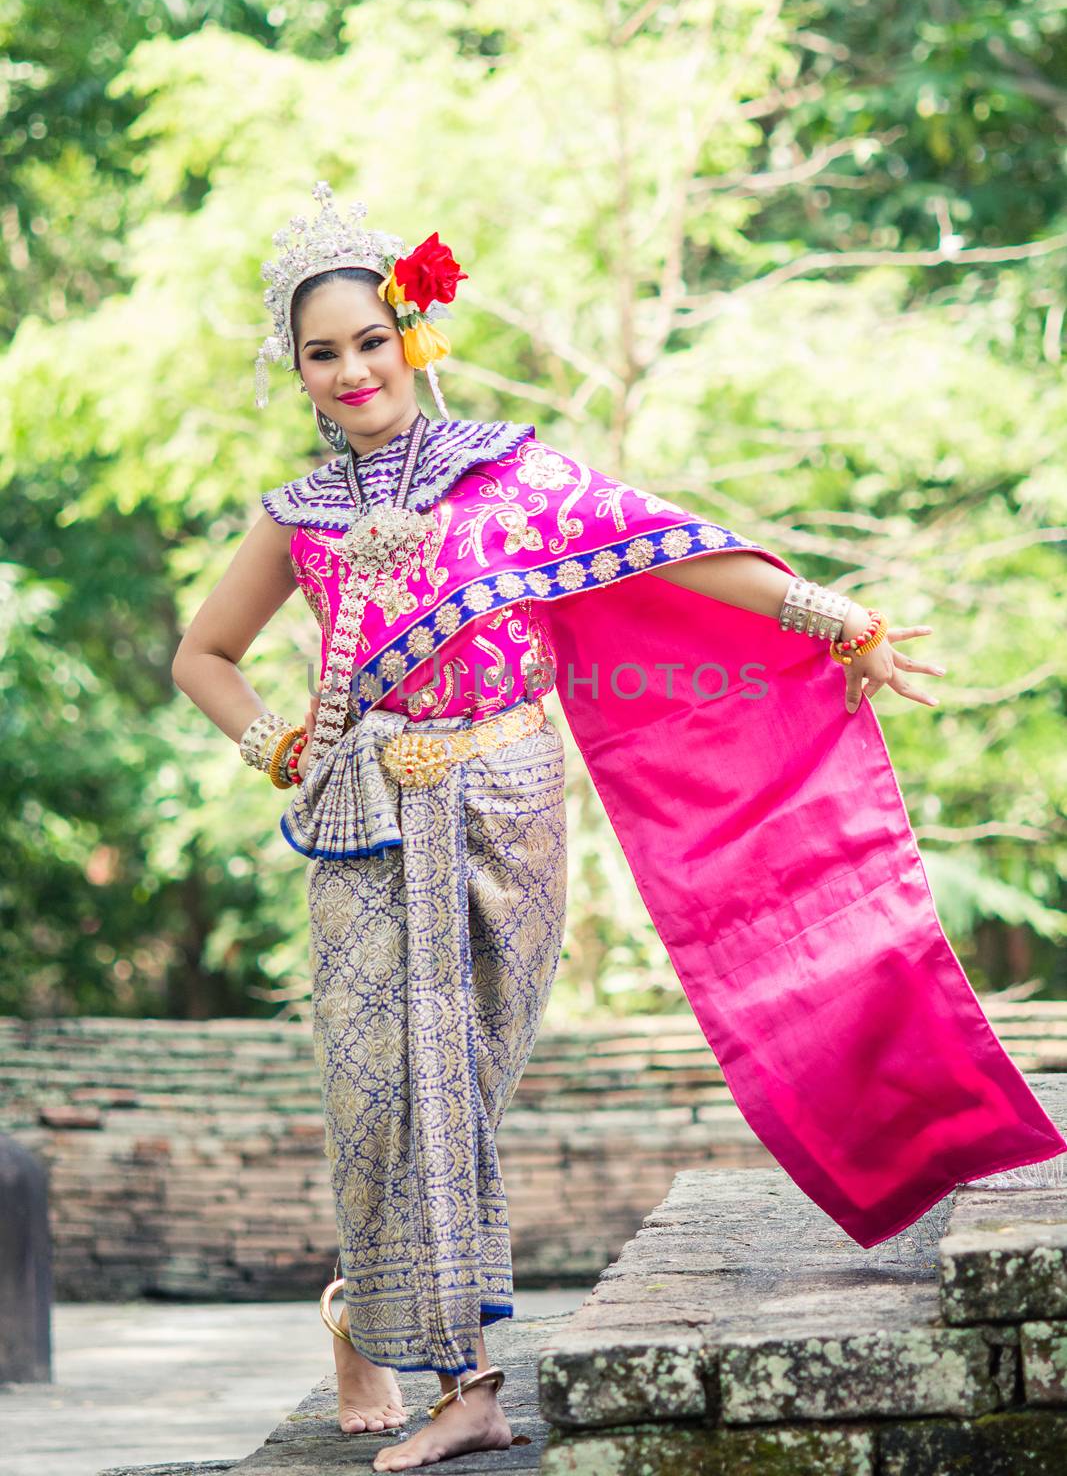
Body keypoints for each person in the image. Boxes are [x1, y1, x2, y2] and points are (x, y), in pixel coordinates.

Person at [171, 183, 1066, 1472]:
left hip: (510, 810)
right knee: (381, 1097)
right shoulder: (296, 517)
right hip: (370, 827)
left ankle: (367, 1311)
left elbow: (670, 553)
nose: (353, 367)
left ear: (411, 335)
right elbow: (205, 654)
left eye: (372, 338)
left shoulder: (516, 477)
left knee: (465, 1081)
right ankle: (464, 1379)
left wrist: (833, 619)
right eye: (323, 352)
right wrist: (278, 745)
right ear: (297, 372)